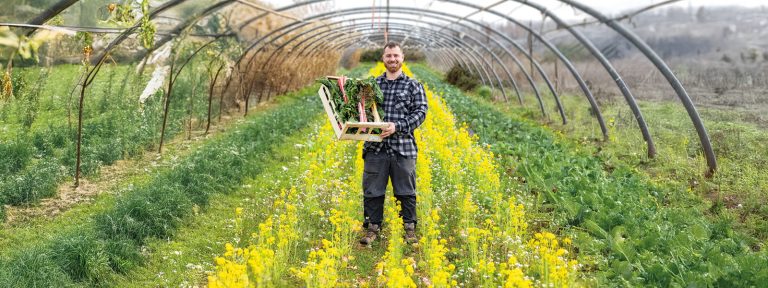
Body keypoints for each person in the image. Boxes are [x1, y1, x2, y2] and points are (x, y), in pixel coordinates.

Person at [359, 42, 428, 245]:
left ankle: (409, 228)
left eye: (396, 55)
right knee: (373, 189)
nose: (392, 59)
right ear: (383, 58)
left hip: (403, 146)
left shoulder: (413, 85)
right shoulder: (371, 85)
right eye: (389, 55)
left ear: (402, 58)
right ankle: (372, 228)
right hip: (375, 146)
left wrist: (397, 126)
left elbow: (420, 112)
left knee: (406, 190)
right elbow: (360, 111)